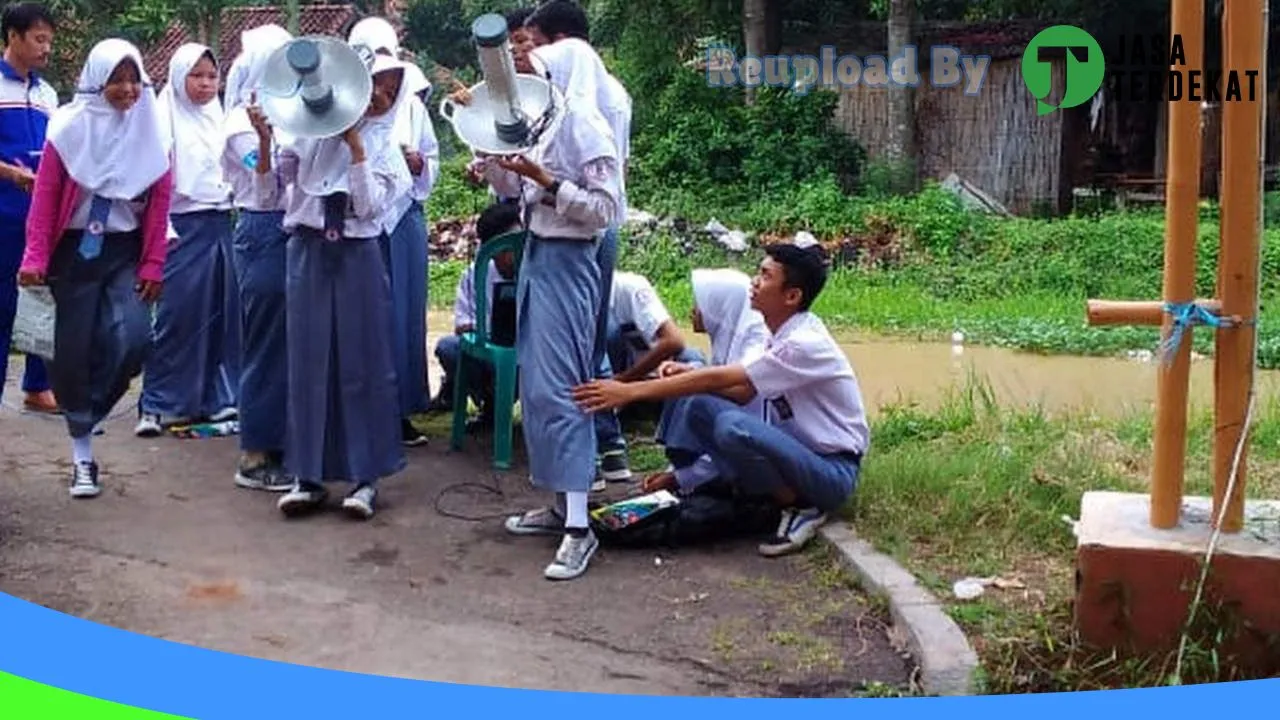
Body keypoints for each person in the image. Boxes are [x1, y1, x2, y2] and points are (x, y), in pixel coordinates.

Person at [572, 244, 869, 558]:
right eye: (758, 272)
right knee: (700, 406)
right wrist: (694, 374)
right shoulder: (776, 334)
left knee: (733, 426)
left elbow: (730, 383)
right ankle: (758, 492)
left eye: (765, 276)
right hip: (796, 458)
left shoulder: (802, 343)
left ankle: (800, 506)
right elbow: (734, 384)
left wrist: (628, 391)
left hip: (830, 471)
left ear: (791, 296)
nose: (753, 282)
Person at [466, 49, 622, 581]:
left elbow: (605, 210)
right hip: (537, 255)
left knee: (565, 389)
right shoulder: (546, 123)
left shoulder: (586, 125)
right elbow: (514, 190)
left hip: (571, 260)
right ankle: (560, 507)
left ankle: (580, 530)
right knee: (537, 388)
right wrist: (492, 150)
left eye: (535, 67)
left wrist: (549, 182)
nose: (526, 77)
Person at [18, 38, 172, 498]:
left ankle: (88, 410)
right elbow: (45, 199)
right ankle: (82, 456)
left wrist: (153, 262)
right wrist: (35, 257)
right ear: (96, 81)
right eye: (116, 80)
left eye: (133, 79)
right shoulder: (68, 130)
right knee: (69, 352)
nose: (126, 89)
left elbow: (161, 201)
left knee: (133, 338)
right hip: (72, 252)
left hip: (124, 251)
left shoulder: (152, 133)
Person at [262, 51, 411, 521]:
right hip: (306, 250)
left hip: (356, 255)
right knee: (308, 361)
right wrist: (268, 143)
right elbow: (269, 195)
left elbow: (368, 209)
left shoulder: (388, 148)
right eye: (375, 84)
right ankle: (308, 475)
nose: (382, 95)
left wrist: (357, 149)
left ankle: (365, 477)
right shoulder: (306, 133)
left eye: (391, 87)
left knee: (362, 361)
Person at [526, 0, 635, 484]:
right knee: (552, 372)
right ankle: (577, 470)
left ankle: (591, 464)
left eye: (537, 51)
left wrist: (548, 184)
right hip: (550, 240)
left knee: (577, 360)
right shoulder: (554, 113)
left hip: (581, 238)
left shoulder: (588, 113)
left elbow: (602, 201)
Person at [135, 42, 237, 436]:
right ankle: (157, 404)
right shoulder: (164, 118)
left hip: (220, 223)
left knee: (220, 317)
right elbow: (155, 179)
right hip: (180, 225)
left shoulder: (221, 118)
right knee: (177, 317)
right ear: (179, 78)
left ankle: (214, 400)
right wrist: (162, 232)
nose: (206, 84)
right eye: (196, 76)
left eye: (212, 76)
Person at [348, 16, 439, 447]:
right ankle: (363, 410)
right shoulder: (345, 105)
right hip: (359, 222)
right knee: (366, 318)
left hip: (403, 220)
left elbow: (431, 157)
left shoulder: (413, 106)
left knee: (403, 314)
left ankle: (401, 409)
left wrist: (420, 163)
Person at [220, 22, 295, 492]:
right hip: (263, 228)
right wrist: (269, 142)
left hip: (290, 231)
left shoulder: (287, 116)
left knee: (289, 342)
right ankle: (254, 454)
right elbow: (268, 181)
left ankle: (283, 442)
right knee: (267, 341)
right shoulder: (239, 126)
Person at [643, 267, 769, 496]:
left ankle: (689, 472)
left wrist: (680, 479)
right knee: (686, 374)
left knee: (695, 391)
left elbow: (744, 392)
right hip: (731, 427)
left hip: (745, 440)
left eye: (701, 303)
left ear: (720, 307)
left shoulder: (756, 338)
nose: (693, 311)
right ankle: (681, 462)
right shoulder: (729, 336)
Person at [0, 1, 57, 415]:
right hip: (2, 213)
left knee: (41, 298)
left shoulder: (47, 93)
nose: (46, 48)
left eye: (50, 41)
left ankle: (38, 386)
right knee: (2, 303)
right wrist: (9, 173)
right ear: (13, 37)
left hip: (40, 216)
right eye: (39, 39)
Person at [433, 201, 519, 430]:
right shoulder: (475, 274)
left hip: (528, 354)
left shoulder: (539, 271)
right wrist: (489, 333)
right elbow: (462, 326)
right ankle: (488, 403)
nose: (514, 254)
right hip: (490, 350)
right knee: (449, 347)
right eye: (506, 248)